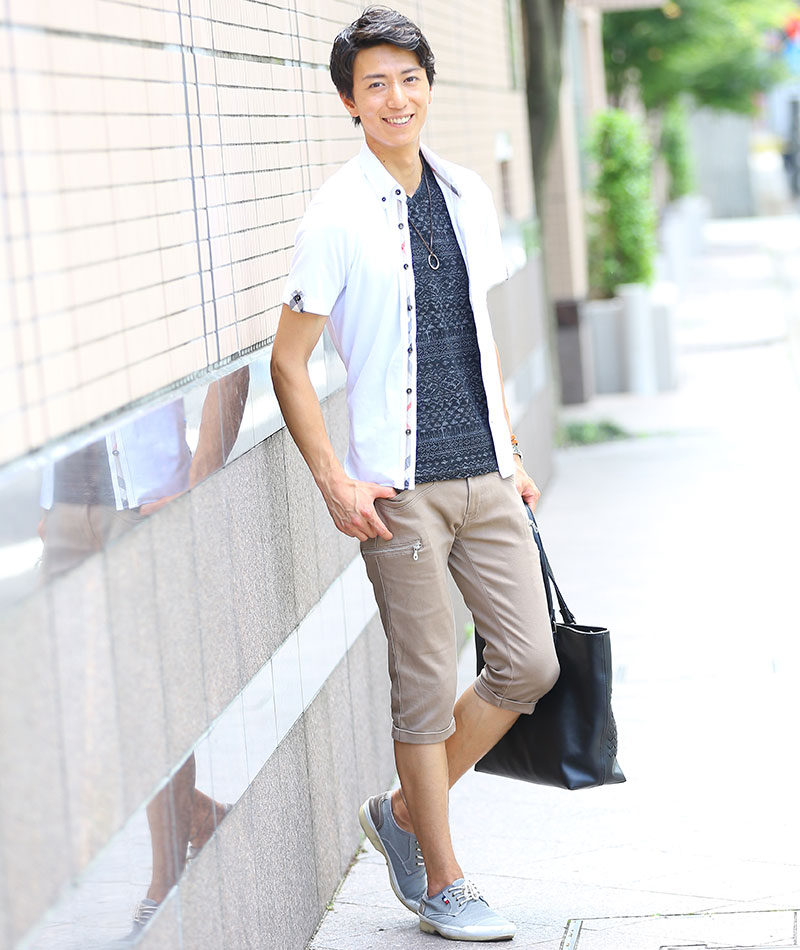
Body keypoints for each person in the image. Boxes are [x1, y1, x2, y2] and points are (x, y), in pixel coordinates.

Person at [271, 7, 559, 942]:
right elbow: (288, 362)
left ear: (429, 85)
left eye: (409, 78)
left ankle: (401, 814)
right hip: (397, 489)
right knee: (427, 687)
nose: (396, 98)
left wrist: (512, 452)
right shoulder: (336, 214)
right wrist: (334, 480)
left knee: (529, 663)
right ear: (349, 103)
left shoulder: (467, 192)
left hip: (485, 472)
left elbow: (480, 335)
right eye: (375, 85)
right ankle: (443, 882)